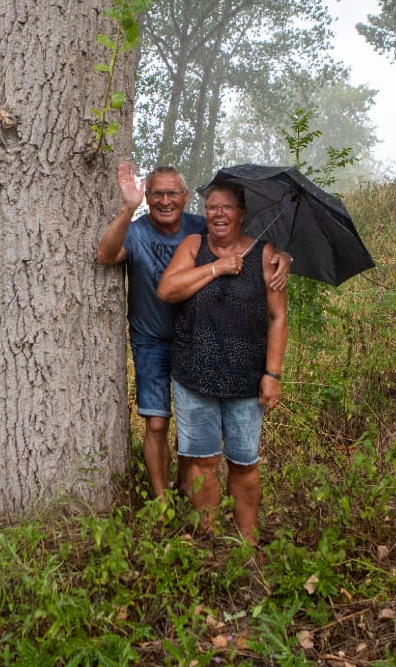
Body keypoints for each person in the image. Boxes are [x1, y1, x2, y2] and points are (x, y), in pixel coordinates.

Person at [97, 162, 288, 498]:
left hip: (202, 341)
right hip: (152, 338)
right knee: (157, 422)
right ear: (148, 198)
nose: (165, 200)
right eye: (157, 194)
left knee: (193, 429)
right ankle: (161, 500)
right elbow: (106, 255)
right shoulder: (138, 231)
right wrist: (128, 207)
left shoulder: (200, 227)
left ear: (185, 198)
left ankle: (188, 491)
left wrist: (282, 257)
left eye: (173, 193)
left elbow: (240, 241)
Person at [156, 180, 288, 544]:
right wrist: (216, 269)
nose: (218, 213)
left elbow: (278, 318)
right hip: (193, 376)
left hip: (246, 380)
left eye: (227, 207)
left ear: (242, 214)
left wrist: (272, 374)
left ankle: (248, 542)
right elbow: (167, 290)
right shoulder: (194, 246)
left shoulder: (265, 255)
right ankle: (209, 540)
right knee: (203, 461)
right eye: (212, 207)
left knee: (244, 462)